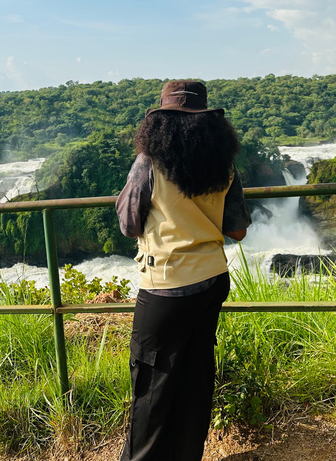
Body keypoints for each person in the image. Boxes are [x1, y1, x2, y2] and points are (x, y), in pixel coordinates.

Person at [116, 80, 251, 461]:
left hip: (166, 287)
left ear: (158, 123)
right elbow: (237, 229)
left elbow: (129, 224)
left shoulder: (149, 163)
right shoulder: (223, 165)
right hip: (212, 281)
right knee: (195, 379)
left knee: (151, 389)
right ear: (209, 124)